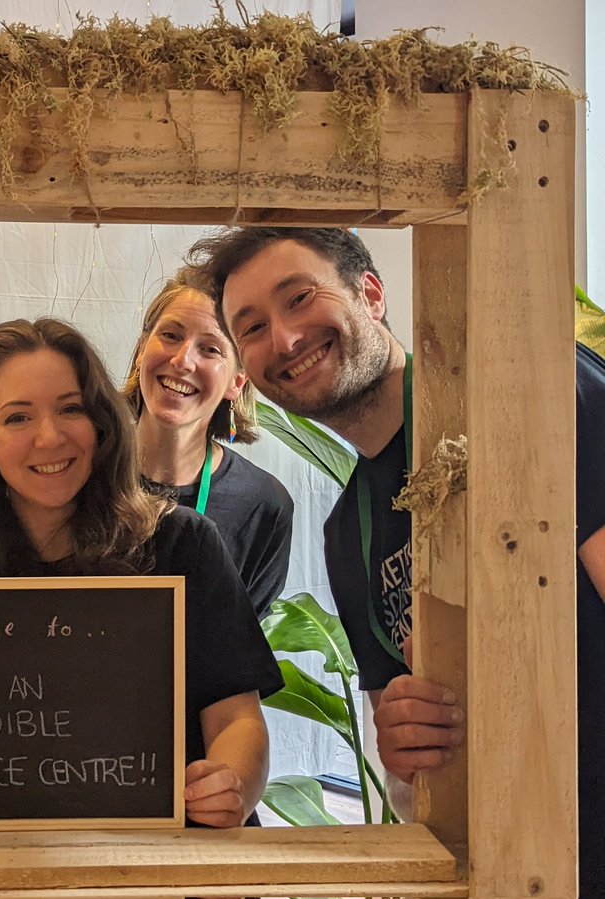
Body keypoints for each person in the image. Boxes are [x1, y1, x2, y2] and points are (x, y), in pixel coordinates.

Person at [190, 226, 605, 896]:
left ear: (372, 294)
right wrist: (408, 749)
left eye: (299, 299)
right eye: (254, 327)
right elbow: (414, 791)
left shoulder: (526, 392)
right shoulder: (344, 534)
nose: (286, 339)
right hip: (526, 871)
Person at [0, 318, 283, 833]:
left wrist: (232, 785)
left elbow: (237, 718)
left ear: (101, 425)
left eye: (71, 408)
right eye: (18, 418)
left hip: (167, 867)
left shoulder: (182, 546)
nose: (50, 436)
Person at [122, 268, 294, 618]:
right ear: (141, 350)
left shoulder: (264, 507)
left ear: (237, 382)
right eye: (170, 335)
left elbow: (240, 654)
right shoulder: (79, 475)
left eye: (211, 349)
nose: (182, 361)